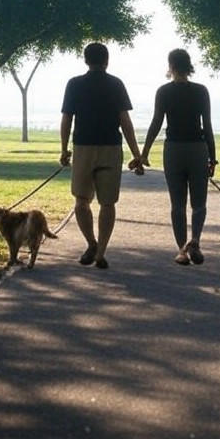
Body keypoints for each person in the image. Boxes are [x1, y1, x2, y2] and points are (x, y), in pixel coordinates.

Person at [60, 42, 143, 269]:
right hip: (111, 148)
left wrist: (63, 148)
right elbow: (125, 122)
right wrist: (137, 154)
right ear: (107, 60)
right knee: (108, 204)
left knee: (81, 201)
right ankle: (101, 251)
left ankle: (91, 243)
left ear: (86, 60)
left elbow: (67, 119)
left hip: (83, 147)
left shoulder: (74, 84)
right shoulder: (116, 84)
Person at [138, 48, 216, 265]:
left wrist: (144, 153)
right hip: (198, 149)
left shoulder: (163, 92)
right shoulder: (201, 91)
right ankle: (196, 241)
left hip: (173, 150)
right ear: (189, 65)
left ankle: (182, 251)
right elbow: (207, 126)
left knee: (177, 204)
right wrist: (213, 157)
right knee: (199, 203)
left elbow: (156, 123)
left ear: (170, 66)